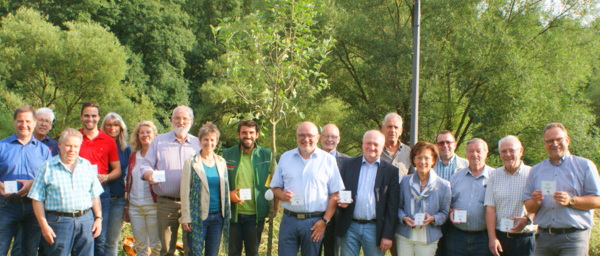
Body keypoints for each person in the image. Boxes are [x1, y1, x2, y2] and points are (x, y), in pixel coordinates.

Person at [523, 123, 600, 255]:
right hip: (544, 238)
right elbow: (529, 208)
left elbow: (597, 201)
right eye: (549, 141)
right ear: (545, 144)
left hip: (573, 238)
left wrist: (571, 200)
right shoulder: (536, 170)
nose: (554, 144)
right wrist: (535, 201)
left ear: (567, 140)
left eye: (559, 139)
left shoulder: (585, 165)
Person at [270, 121, 345, 256]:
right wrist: (282, 195)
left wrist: (325, 221)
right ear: (296, 136)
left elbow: (335, 194)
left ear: (317, 137)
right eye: (302, 135)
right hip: (289, 220)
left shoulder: (328, 160)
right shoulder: (286, 157)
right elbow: (275, 187)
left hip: (314, 222)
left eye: (310, 135)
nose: (306, 139)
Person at [28, 128, 104, 256]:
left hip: (86, 221)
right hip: (58, 222)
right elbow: (37, 199)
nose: (72, 150)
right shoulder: (47, 167)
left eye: (75, 146)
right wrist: (44, 225)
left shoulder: (86, 165)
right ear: (60, 145)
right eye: (68, 145)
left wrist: (98, 219)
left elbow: (94, 196)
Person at [141, 106, 201, 256]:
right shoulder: (159, 141)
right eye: (177, 118)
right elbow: (146, 165)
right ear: (171, 120)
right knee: (167, 249)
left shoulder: (198, 143)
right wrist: (149, 175)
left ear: (191, 122)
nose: (181, 122)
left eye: (185, 118)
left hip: (192, 202)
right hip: (166, 203)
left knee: (192, 247)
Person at [336, 130, 399, 256]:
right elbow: (339, 190)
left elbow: (392, 207)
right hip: (350, 226)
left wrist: (387, 235)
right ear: (362, 144)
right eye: (368, 143)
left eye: (376, 144)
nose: (372, 147)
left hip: (375, 228)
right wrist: (340, 201)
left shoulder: (391, 171)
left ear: (383, 147)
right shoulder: (348, 164)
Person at [0, 105, 52, 255]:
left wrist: (33, 183)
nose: (24, 125)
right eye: (20, 121)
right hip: (5, 206)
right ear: (14, 122)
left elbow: (49, 179)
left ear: (34, 123)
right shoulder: (2, 146)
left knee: (28, 251)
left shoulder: (44, 151)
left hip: (33, 207)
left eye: (28, 121)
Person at [223, 120, 275, 256]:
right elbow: (219, 181)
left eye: (251, 132)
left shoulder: (267, 155)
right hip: (233, 214)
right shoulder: (227, 154)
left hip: (255, 215)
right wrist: (228, 194)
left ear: (257, 134)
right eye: (244, 132)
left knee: (253, 252)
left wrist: (274, 208)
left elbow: (276, 183)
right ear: (238, 135)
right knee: (233, 252)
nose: (248, 136)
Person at [78, 102, 121, 256]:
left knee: (99, 238)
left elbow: (117, 170)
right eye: (87, 115)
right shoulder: (75, 138)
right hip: (78, 192)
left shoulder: (108, 140)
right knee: (80, 238)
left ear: (98, 117)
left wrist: (106, 176)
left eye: (94, 115)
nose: (90, 119)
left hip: (101, 192)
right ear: (81, 117)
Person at [181, 122, 230, 256]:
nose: (209, 143)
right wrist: (186, 217)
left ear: (217, 141)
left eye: (212, 139)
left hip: (218, 218)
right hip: (198, 217)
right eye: (205, 139)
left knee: (212, 254)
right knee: (194, 253)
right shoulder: (191, 163)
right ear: (200, 141)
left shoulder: (221, 162)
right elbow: (184, 192)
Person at [396, 141, 451, 256]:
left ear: (433, 161)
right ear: (414, 160)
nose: (422, 162)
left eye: (426, 158)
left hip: (428, 237)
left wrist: (433, 218)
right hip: (405, 236)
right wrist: (404, 218)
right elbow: (398, 207)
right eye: (419, 157)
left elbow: (444, 213)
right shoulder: (405, 182)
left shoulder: (444, 186)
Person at [485, 136, 535, 256]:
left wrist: (528, 219)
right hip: (500, 239)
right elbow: (490, 208)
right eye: (503, 151)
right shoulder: (494, 175)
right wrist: (492, 238)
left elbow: (541, 204)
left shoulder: (533, 174)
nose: (508, 154)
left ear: (521, 151)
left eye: (512, 150)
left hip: (524, 239)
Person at [447, 138, 494, 256]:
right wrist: (451, 211)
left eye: (478, 151)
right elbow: (446, 203)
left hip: (484, 237)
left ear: (486, 152)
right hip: (457, 236)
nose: (474, 154)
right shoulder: (456, 177)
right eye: (471, 151)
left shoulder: (495, 177)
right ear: (466, 153)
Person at [125, 121, 161, 256]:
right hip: (135, 206)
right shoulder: (133, 156)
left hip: (154, 206)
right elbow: (129, 181)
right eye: (142, 132)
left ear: (155, 135)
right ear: (137, 135)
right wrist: (127, 206)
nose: (145, 135)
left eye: (148, 132)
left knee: (156, 246)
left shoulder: (160, 156)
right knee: (140, 247)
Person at [101, 112, 132, 256]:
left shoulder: (126, 149)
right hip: (98, 198)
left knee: (112, 241)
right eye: (109, 124)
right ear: (103, 126)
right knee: (98, 239)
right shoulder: (98, 145)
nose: (112, 128)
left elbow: (129, 176)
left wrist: (127, 203)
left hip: (118, 199)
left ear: (121, 128)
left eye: (116, 125)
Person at [434, 130, 468, 256]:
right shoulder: (430, 164)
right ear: (437, 145)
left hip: (459, 221)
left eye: (448, 142)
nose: (445, 145)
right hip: (436, 219)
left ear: (455, 144)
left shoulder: (466, 164)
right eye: (441, 143)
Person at [319, 123, 350, 256]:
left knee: (332, 252)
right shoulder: (311, 158)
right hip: (314, 214)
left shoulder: (348, 162)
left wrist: (347, 201)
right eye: (326, 136)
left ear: (339, 139)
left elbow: (350, 186)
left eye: (333, 136)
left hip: (338, 216)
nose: (329, 139)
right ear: (320, 137)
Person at [380, 112, 411, 177]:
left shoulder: (408, 152)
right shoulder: (375, 150)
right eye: (389, 127)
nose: (393, 130)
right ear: (382, 128)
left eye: (396, 127)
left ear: (401, 131)